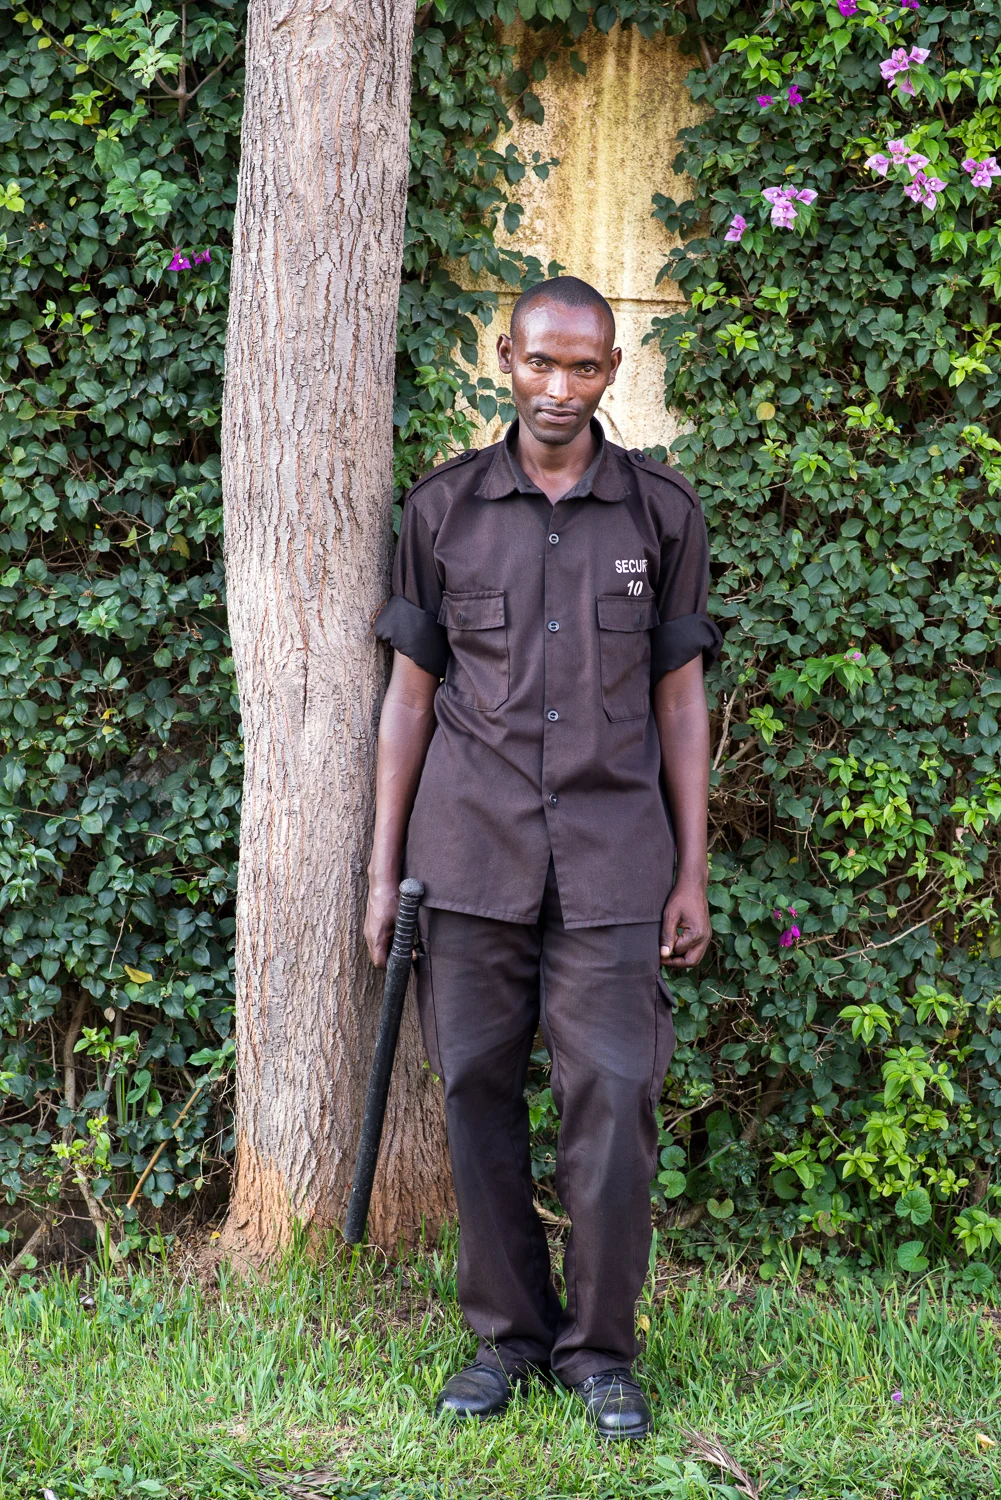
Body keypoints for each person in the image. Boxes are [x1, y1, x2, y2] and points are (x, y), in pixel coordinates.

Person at [365, 276, 721, 1441]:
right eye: (537, 364)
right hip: (465, 858)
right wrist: (380, 875)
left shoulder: (661, 514)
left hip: (617, 860)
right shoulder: (442, 512)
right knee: (472, 1092)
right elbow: (407, 701)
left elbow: (680, 702)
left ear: (612, 371)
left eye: (582, 367)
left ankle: (600, 1354)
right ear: (503, 361)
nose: (556, 388)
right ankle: (505, 1338)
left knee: (613, 1095)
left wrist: (691, 870)